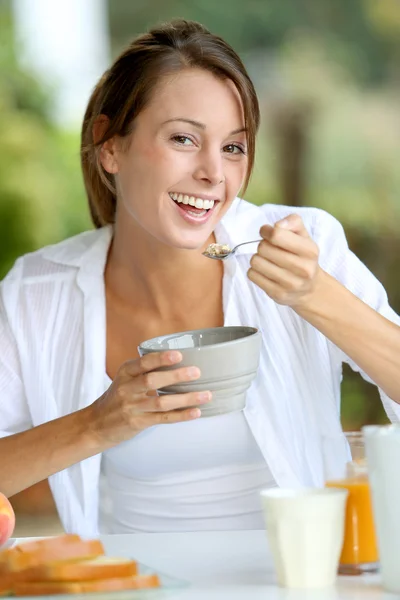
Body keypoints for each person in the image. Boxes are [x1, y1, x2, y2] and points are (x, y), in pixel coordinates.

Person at [1, 19, 400, 537]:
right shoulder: (37, 293)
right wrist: (97, 423)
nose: (215, 172)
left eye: (233, 147)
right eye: (184, 139)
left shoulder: (305, 245)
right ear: (110, 146)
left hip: (301, 584)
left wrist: (316, 294)